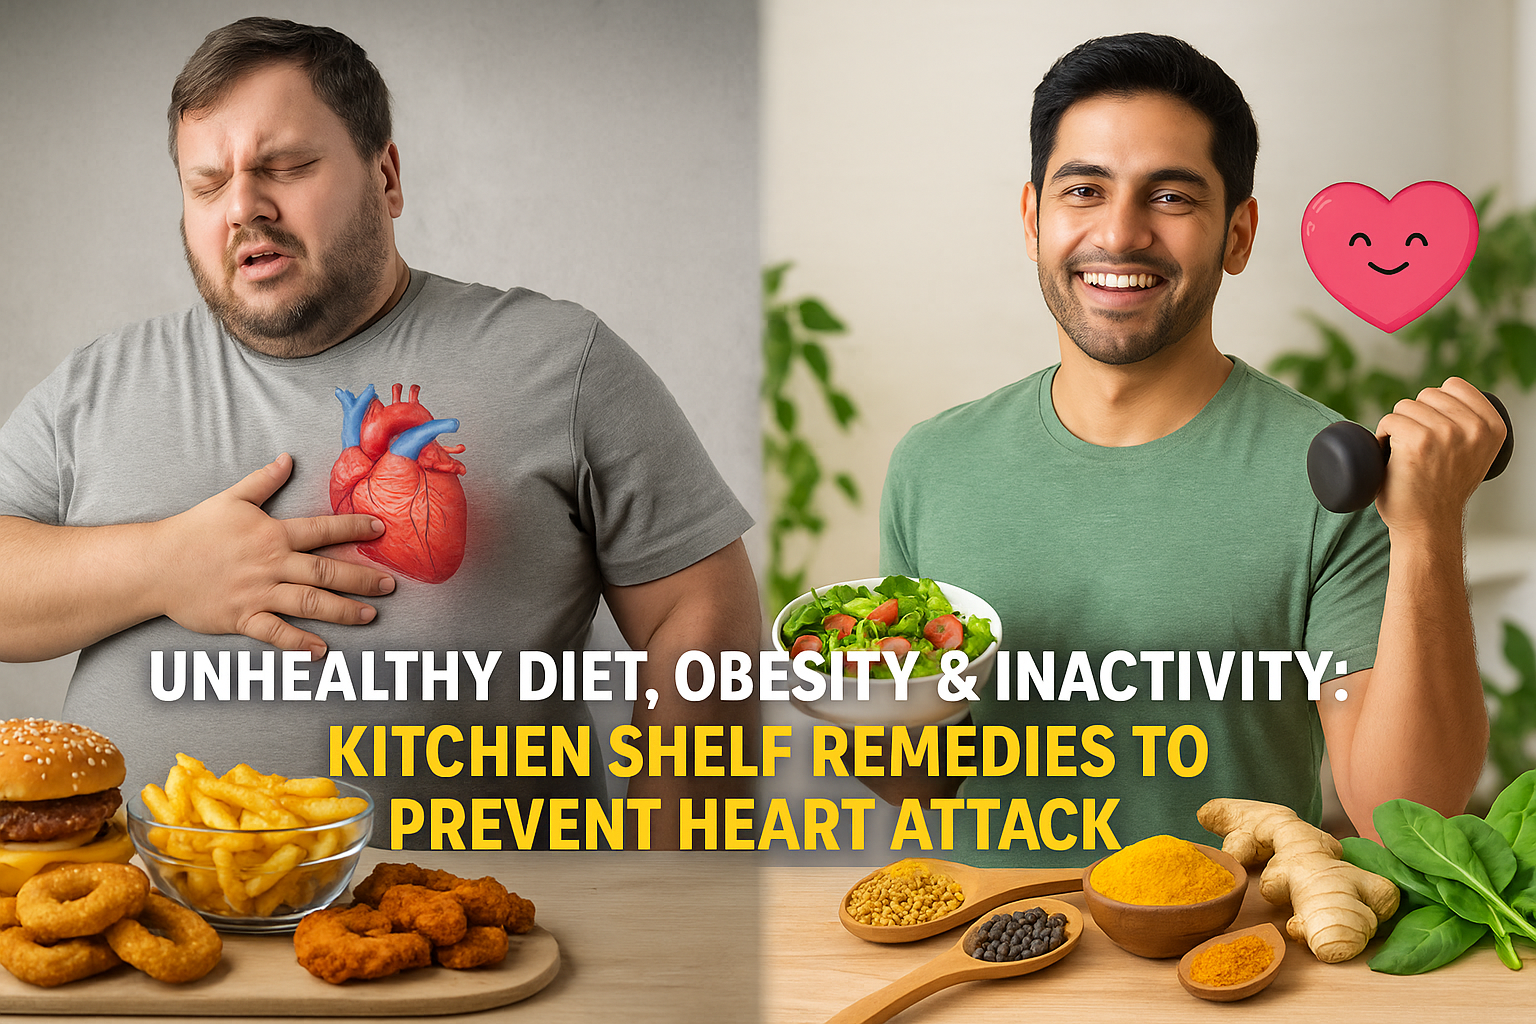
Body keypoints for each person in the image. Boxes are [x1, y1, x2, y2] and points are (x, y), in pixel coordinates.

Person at [0, 17, 761, 849]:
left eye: (285, 167)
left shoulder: (560, 361)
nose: (245, 207)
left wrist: (664, 876)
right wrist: (162, 566)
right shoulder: (96, 384)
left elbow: (700, 609)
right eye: (207, 184)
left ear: (386, 177)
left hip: (483, 941)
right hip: (133, 925)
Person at [875, 33, 1504, 866]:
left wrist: (1428, 530)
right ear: (1034, 219)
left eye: (1171, 197)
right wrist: (857, 709)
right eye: (1085, 190)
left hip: (1224, 966)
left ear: (1238, 235)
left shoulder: (1332, 478)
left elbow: (1406, 811)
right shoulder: (932, 465)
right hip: (978, 959)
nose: (1122, 233)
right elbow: (918, 783)